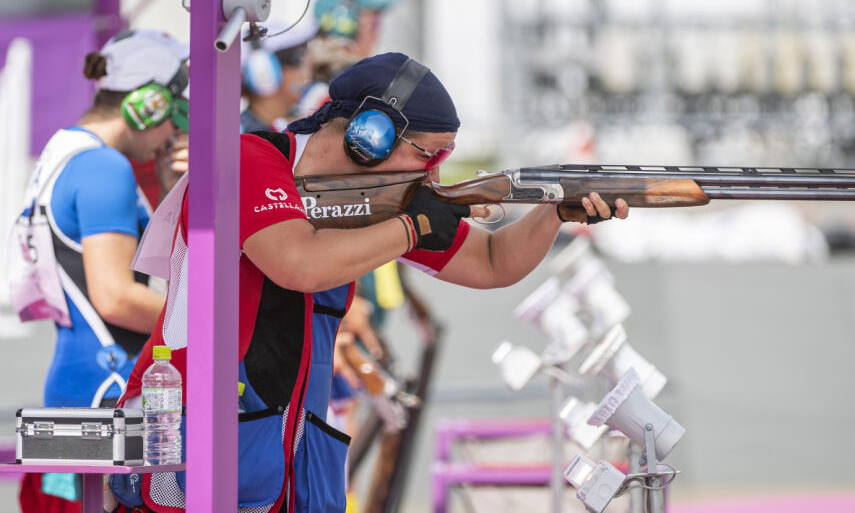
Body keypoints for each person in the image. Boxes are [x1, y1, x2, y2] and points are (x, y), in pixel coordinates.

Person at [113, 52, 627, 512]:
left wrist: (553, 212)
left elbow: (493, 262)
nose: (434, 175)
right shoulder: (249, 159)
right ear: (370, 133)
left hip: (284, 460)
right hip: (186, 446)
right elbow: (298, 263)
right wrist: (409, 228)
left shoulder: (375, 207)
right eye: (429, 155)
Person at [10, 29, 188, 511]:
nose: (176, 130)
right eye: (178, 110)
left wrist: (173, 191)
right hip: (107, 398)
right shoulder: (103, 167)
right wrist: (213, 331)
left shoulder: (65, 152)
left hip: (82, 389)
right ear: (149, 104)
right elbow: (115, 297)